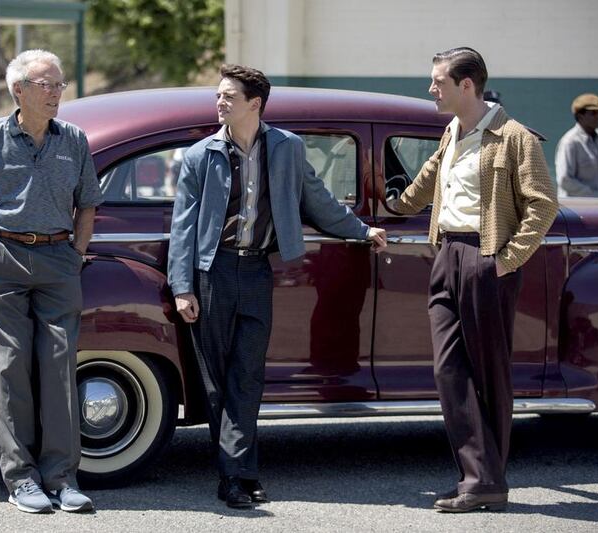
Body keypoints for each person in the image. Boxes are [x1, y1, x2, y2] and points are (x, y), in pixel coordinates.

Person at [168, 64, 387, 508]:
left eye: (229, 96)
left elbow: (317, 199)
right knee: (216, 382)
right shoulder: (199, 155)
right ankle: (235, 476)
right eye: (219, 95)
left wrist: (360, 230)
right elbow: (183, 227)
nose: (220, 102)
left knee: (247, 376)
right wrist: (182, 287)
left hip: (257, 272)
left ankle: (240, 472)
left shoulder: (287, 148)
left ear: (255, 104)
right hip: (211, 273)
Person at [390, 47, 557, 513]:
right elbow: (428, 181)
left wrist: (506, 261)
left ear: (467, 85)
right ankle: (479, 475)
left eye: (438, 81)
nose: (431, 89)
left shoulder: (514, 137)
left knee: (488, 373)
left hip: (486, 258)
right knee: (448, 369)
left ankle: (484, 480)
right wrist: (393, 205)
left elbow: (543, 205)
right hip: (447, 253)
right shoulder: (451, 131)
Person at [0, 49, 102, 514]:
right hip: (1, 256)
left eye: (59, 85)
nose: (56, 93)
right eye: (46, 85)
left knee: (58, 364)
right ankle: (21, 480)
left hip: (58, 258)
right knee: (9, 365)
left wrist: (76, 253)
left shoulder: (73, 140)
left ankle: (62, 478)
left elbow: (88, 203)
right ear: (19, 90)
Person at [555, 93, 598, 197]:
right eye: (593, 113)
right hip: (577, 208)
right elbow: (565, 180)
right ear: (580, 116)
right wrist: (597, 195)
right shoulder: (570, 142)